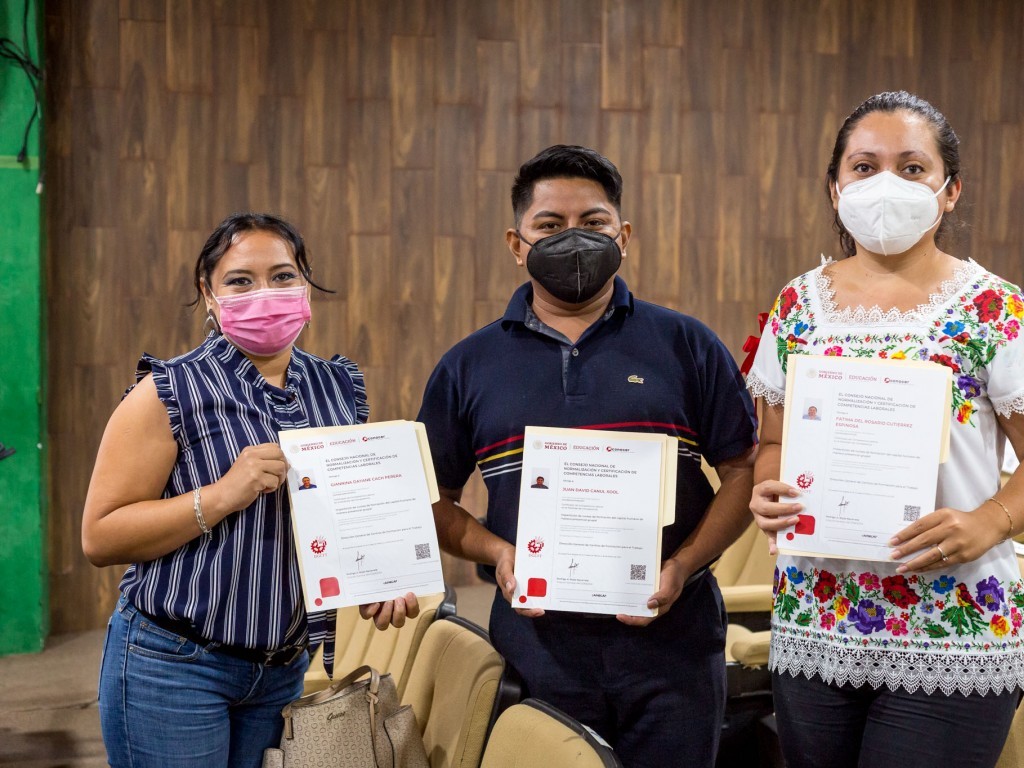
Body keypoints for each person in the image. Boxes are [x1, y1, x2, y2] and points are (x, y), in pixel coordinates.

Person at [417, 145, 757, 767]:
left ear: (622, 235)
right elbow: (429, 498)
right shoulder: (468, 366)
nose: (572, 240)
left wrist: (682, 566)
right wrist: (498, 553)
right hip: (535, 647)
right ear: (517, 244)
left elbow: (742, 471)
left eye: (593, 224)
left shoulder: (686, 344)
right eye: (549, 226)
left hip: (674, 644)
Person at [747, 91, 1024, 768]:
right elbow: (774, 441)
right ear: (835, 187)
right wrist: (766, 489)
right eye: (864, 167)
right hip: (816, 617)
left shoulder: (994, 308)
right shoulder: (797, 304)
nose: (885, 185)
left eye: (911, 167)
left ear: (949, 191)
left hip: (953, 622)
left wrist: (990, 519)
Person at [82, 213, 417, 768]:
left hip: (280, 669)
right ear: (207, 294)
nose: (266, 292)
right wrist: (220, 495)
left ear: (306, 285)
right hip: (173, 665)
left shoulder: (338, 387)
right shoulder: (169, 390)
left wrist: (377, 576)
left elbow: (343, 514)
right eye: (240, 280)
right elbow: (99, 536)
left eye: (284, 276)